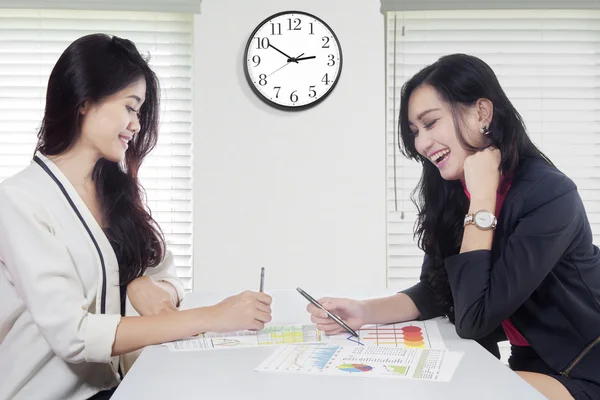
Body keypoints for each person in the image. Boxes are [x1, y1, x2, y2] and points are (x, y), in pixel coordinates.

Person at [307, 54, 600, 400]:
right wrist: (364, 311)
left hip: (583, 364)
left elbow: (476, 317)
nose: (420, 144)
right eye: (415, 132)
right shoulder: (451, 188)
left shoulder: (549, 194)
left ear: (482, 113)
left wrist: (482, 197)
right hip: (533, 360)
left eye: (430, 124)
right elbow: (437, 290)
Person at [0, 33, 272, 400]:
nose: (137, 125)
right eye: (130, 107)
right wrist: (214, 316)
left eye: (140, 112)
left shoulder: (115, 189)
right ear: (85, 101)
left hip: (121, 386)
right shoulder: (20, 200)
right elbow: (74, 336)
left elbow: (170, 280)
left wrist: (138, 284)